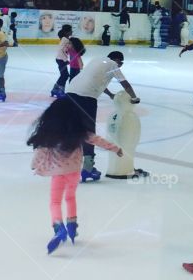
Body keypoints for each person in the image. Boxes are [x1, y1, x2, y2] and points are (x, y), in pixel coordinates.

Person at [27, 96, 123, 254]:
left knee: (55, 202)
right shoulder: (79, 132)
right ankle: (72, 224)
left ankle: (59, 228)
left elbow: (41, 151)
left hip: (58, 174)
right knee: (70, 198)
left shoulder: (51, 134)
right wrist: (116, 149)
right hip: (74, 172)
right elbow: (97, 140)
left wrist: (34, 165)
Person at [66, 51, 141, 182]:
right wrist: (135, 98)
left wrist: (110, 94)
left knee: (74, 129)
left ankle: (69, 164)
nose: (120, 66)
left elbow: (95, 79)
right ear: (117, 60)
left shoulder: (97, 59)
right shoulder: (112, 64)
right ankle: (88, 168)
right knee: (88, 132)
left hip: (71, 93)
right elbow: (125, 83)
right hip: (86, 97)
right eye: (121, 63)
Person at [52, 26, 73, 98]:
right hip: (61, 59)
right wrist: (65, 60)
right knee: (65, 75)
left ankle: (55, 89)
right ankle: (59, 90)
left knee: (64, 75)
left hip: (60, 59)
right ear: (66, 32)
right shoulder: (65, 40)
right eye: (70, 30)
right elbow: (60, 50)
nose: (72, 32)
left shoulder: (65, 39)